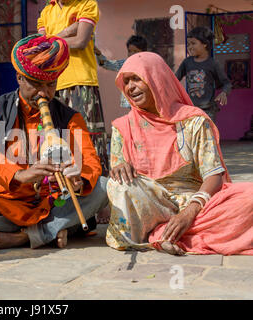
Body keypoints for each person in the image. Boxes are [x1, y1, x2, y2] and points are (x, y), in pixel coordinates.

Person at [0, 34, 109, 253]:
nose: (44, 93)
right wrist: (18, 174)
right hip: (7, 203)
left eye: (50, 85)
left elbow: (90, 162)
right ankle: (51, 231)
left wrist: (78, 177)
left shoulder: (70, 117)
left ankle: (20, 237)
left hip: (54, 203)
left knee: (102, 187)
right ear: (19, 78)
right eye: (36, 84)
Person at [105, 51, 252, 256]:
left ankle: (163, 233)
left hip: (196, 205)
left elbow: (214, 175)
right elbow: (119, 173)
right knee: (120, 185)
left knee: (249, 197)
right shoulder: (122, 127)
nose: (130, 87)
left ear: (156, 79)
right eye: (126, 82)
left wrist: (189, 213)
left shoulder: (193, 121)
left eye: (136, 79)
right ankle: (167, 231)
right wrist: (119, 167)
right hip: (151, 204)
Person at [37, 0, 109, 175]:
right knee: (57, 140)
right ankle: (64, 187)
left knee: (89, 138)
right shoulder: (46, 12)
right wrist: (70, 30)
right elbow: (42, 48)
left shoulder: (87, 4)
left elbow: (80, 42)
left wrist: (54, 38)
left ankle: (98, 184)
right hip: (53, 84)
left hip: (81, 81)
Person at [176, 27, 232, 123]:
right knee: (192, 136)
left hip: (208, 110)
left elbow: (227, 83)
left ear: (205, 44)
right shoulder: (187, 62)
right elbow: (175, 79)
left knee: (208, 136)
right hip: (191, 109)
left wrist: (224, 93)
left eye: (193, 43)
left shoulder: (213, 63)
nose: (189, 47)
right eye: (188, 44)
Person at [94, 35, 148, 109]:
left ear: (143, 52)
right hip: (131, 102)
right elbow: (107, 64)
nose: (131, 54)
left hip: (143, 101)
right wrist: (98, 54)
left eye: (135, 51)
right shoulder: (125, 64)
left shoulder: (147, 65)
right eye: (129, 51)